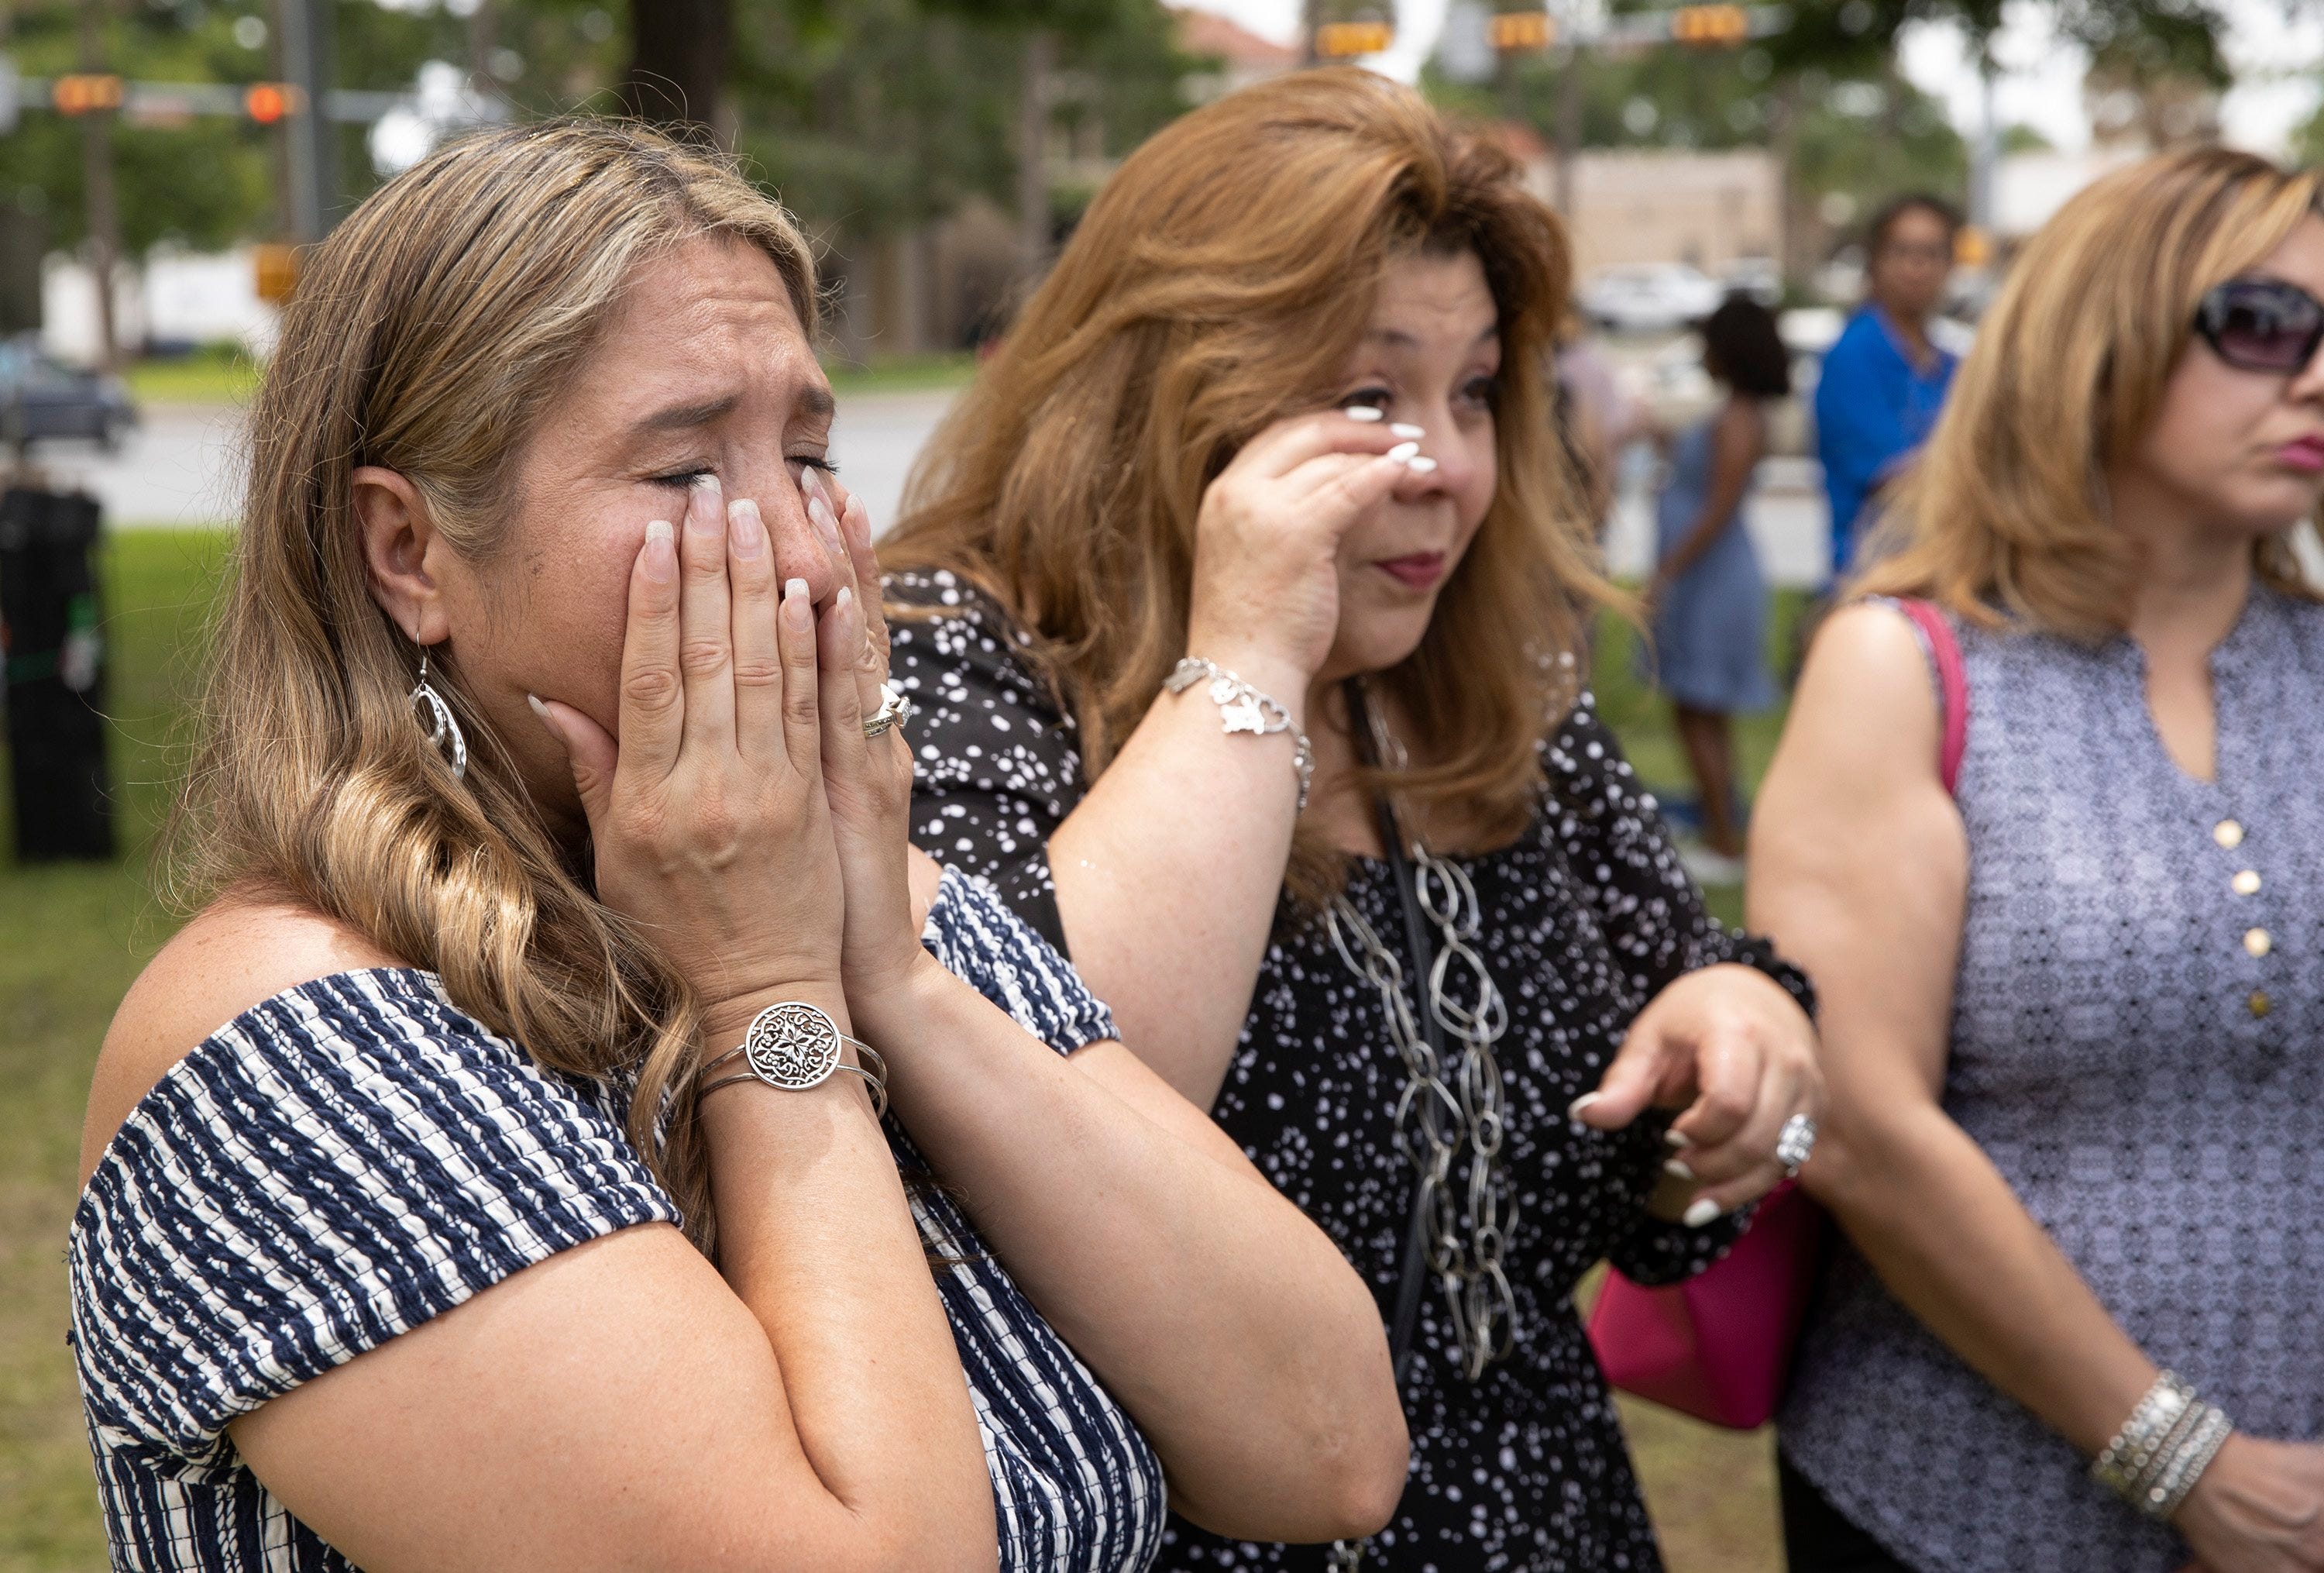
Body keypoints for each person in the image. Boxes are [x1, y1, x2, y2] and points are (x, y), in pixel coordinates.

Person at [67, 121, 1414, 1572]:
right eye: (685, 475)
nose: (800, 547)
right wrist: (773, 1001)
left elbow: (1327, 1447)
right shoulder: (289, 1057)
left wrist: (888, 974)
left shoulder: (864, 899)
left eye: (814, 452)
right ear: (409, 554)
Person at [879, 70, 1824, 1571]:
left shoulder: (1483, 672)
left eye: (1473, 392)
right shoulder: (957, 657)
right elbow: (1051, 1100)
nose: (1443, 465)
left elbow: (1665, 1118)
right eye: (1367, 396)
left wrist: (1735, 1024)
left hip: (1549, 1511)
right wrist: (1249, 651)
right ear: (1173, 384)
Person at [1752, 147, 2324, 1571]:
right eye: (2263, 324)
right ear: (2102, 334)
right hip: (1957, 1504)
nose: (2312, 376)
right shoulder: (1908, 670)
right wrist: (2181, 1457)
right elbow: (1866, 1133)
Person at [1644, 294, 1789, 882]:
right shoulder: (1738, 414)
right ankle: (1719, 824)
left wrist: (1668, 570)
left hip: (1712, 580)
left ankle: (1725, 841)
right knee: (1704, 709)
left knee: (1698, 707)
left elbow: (1719, 504)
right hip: (1715, 576)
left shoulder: (1737, 418)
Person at [1814, 194, 1961, 580]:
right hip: (1874, 577)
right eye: (1903, 252)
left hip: (1945, 575)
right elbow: (1893, 477)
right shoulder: (1852, 356)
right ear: (1875, 263)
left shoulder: (1952, 367)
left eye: (1932, 253)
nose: (1918, 267)